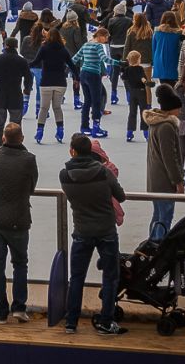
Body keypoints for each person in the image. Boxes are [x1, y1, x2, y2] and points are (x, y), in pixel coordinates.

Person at [60, 133, 127, 335]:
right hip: (106, 230)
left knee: (77, 278)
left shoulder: (65, 175)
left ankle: (71, 322)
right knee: (110, 277)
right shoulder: (103, 173)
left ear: (72, 151)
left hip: (81, 231)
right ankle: (106, 322)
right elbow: (121, 196)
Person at [0, 123, 38, 325]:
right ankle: (19, 307)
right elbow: (32, 186)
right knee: (20, 264)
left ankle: (0, 310)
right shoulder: (29, 159)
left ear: (4, 138)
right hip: (18, 219)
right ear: (22, 138)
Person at [144, 84, 185, 242]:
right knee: (165, 217)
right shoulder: (167, 126)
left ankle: (152, 246)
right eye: (178, 109)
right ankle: (158, 247)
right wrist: (178, 181)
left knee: (158, 215)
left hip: (155, 178)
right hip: (164, 180)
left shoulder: (156, 124)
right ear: (171, 109)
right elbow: (170, 157)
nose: (180, 112)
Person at [0, 38, 35, 149]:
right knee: (16, 124)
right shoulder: (21, 61)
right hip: (15, 96)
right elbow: (28, 77)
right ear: (16, 47)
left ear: (5, 46)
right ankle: (15, 145)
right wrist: (27, 89)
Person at [29, 28, 78, 144]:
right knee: (57, 107)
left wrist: (24, 65)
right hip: (60, 82)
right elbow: (72, 65)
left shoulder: (44, 48)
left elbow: (35, 62)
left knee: (44, 108)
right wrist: (77, 78)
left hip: (46, 82)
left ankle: (40, 131)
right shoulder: (63, 50)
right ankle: (60, 130)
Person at [72, 28, 122, 138]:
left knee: (87, 101)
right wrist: (119, 63)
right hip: (93, 75)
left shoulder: (86, 44)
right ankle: (96, 128)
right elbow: (105, 59)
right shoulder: (98, 46)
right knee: (96, 101)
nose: (106, 40)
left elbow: (75, 58)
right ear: (100, 36)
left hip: (83, 74)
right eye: (106, 37)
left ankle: (84, 127)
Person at [120, 51, 152, 142]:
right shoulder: (140, 69)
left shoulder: (127, 69)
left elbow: (123, 78)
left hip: (132, 92)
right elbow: (142, 78)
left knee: (132, 112)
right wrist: (146, 82)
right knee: (143, 111)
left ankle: (130, 132)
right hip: (141, 92)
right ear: (138, 60)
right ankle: (146, 132)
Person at [105, 2, 132, 105]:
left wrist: (110, 43)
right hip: (124, 47)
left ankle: (113, 94)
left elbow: (109, 34)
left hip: (114, 46)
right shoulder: (129, 21)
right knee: (126, 71)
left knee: (115, 71)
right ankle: (128, 95)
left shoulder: (111, 20)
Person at [151, 11, 183, 85]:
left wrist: (154, 62)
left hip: (159, 61)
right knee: (174, 88)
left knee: (163, 86)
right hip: (174, 62)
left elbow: (154, 48)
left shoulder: (157, 32)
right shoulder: (178, 34)